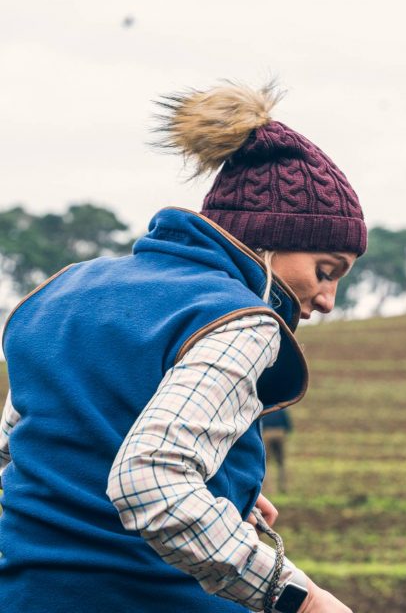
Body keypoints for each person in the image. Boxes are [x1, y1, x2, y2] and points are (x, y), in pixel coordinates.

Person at [0, 82, 366, 612]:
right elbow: (151, 480)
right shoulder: (240, 319)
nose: (328, 299)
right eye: (326, 271)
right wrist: (300, 600)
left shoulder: (65, 287)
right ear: (266, 240)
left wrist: (214, 494)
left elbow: (17, 452)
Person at [261, 408, 294, 494]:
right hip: (280, 433)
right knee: (281, 462)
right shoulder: (281, 409)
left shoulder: (265, 407)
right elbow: (288, 425)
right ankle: (283, 486)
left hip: (266, 433)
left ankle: (266, 488)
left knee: (265, 463)